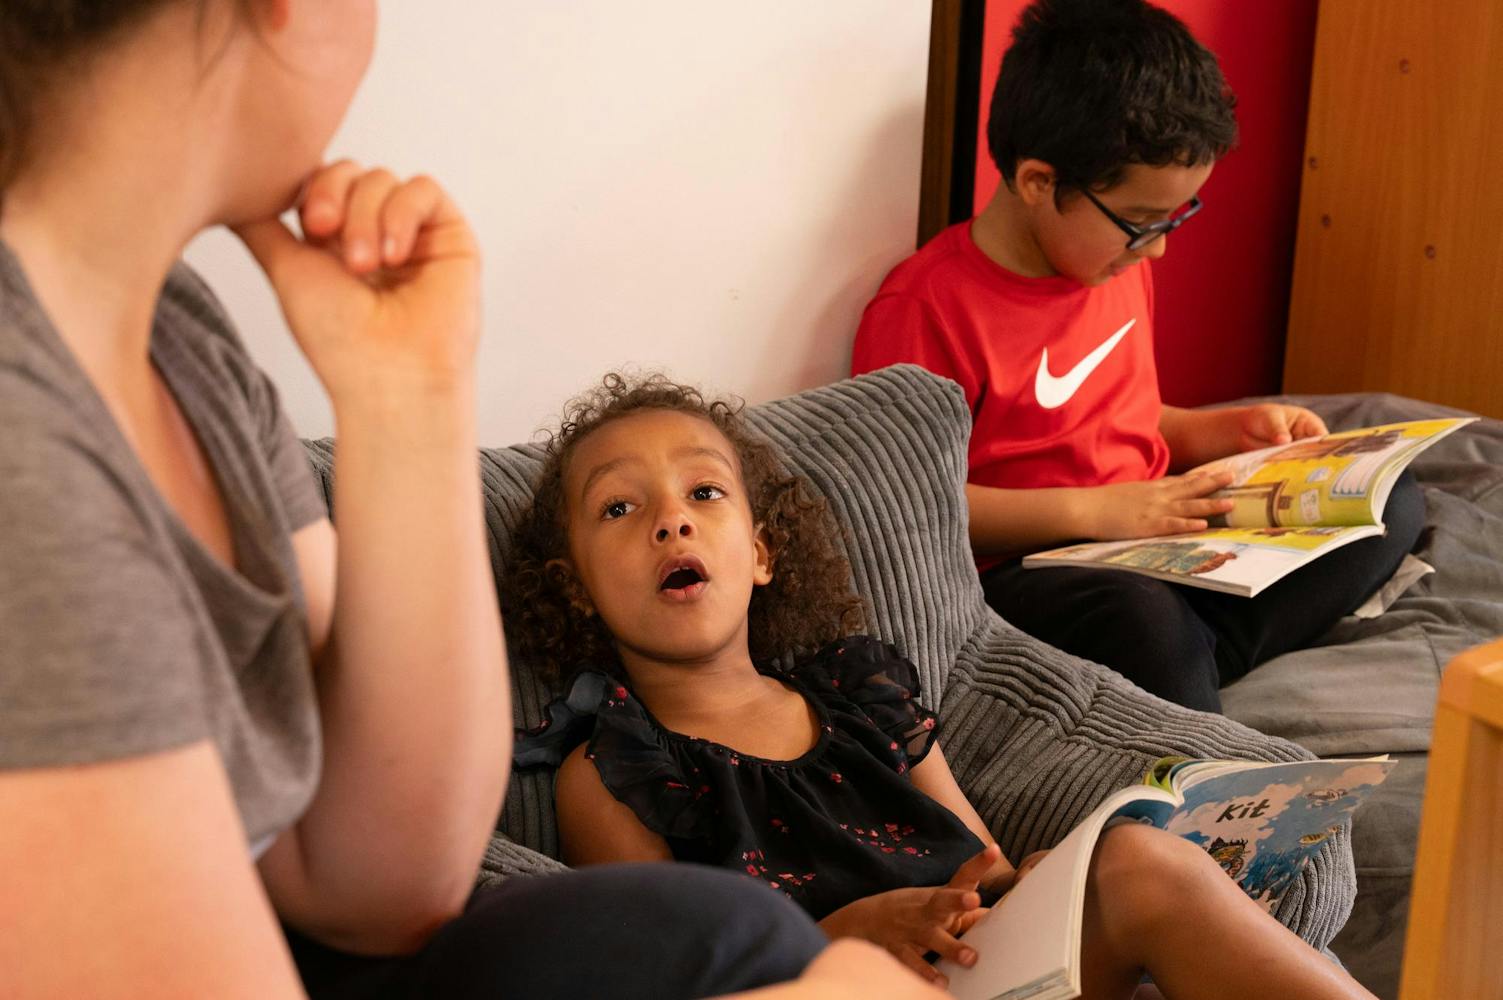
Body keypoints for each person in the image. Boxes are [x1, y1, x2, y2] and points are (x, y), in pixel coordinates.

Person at [0, 3, 946, 998]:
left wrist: (409, 401)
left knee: (721, 928)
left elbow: (385, 888)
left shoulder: (184, 342)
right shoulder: (28, 446)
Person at [504, 372, 1377, 998]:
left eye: (703, 491)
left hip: (980, 975)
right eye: (619, 508)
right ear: (575, 587)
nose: (671, 520)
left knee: (1138, 860)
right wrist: (839, 939)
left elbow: (978, 867)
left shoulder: (857, 695)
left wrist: (1039, 882)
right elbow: (669, 979)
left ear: (762, 554)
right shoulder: (615, 771)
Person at [849, 0, 1424, 713]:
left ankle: (1187, 663)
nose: (1156, 250)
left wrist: (1228, 432)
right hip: (1034, 570)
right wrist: (1100, 510)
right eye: (1142, 222)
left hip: (1149, 540)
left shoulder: (1108, 264)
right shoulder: (924, 308)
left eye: (1174, 218)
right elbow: (912, 506)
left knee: (1390, 501)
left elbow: (1121, 419)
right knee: (1139, 619)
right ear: (1038, 182)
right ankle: (1184, 679)